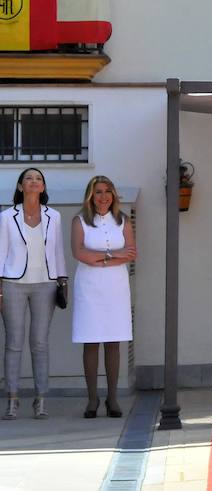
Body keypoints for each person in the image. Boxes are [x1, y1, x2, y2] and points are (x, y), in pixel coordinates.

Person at [0, 168, 67, 420]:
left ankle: (40, 399)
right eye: (29, 178)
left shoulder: (55, 216)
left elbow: (58, 250)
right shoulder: (7, 216)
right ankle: (12, 399)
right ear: (20, 187)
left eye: (38, 179)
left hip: (45, 284)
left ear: (43, 187)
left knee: (40, 343)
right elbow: (1, 251)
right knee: (13, 343)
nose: (34, 181)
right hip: (13, 283)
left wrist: (62, 279)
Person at [71, 176, 136, 419]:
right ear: (90, 195)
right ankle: (91, 399)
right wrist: (112, 255)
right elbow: (80, 253)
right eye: (98, 192)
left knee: (113, 341)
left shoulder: (123, 221)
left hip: (116, 287)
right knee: (91, 341)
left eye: (108, 191)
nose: (103, 196)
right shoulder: (80, 221)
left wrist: (100, 256)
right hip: (89, 287)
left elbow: (130, 254)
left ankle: (112, 398)